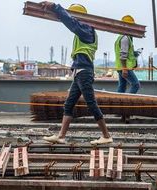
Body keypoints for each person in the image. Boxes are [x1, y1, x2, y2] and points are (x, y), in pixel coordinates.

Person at [41, 2, 112, 145]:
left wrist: (55, 7)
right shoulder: (83, 31)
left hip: (84, 72)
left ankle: (106, 136)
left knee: (91, 104)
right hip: (79, 72)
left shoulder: (86, 30)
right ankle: (61, 136)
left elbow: (70, 21)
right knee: (69, 105)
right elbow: (71, 22)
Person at [114, 15, 141, 94]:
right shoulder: (125, 38)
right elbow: (123, 54)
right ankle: (128, 102)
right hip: (125, 67)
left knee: (122, 87)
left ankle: (118, 104)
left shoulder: (121, 37)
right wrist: (125, 68)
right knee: (136, 85)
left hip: (121, 67)